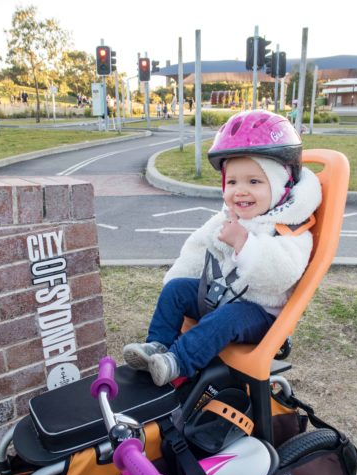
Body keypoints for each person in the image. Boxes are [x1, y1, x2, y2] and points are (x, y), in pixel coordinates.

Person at [123, 110, 322, 386]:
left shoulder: (290, 227)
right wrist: (179, 277)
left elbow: (283, 274)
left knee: (228, 317)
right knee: (175, 289)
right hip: (220, 295)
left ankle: (177, 362)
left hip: (258, 312)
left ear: (280, 187)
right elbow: (199, 249)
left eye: (254, 182)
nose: (240, 190)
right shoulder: (229, 218)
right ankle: (156, 346)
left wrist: (244, 244)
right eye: (232, 182)